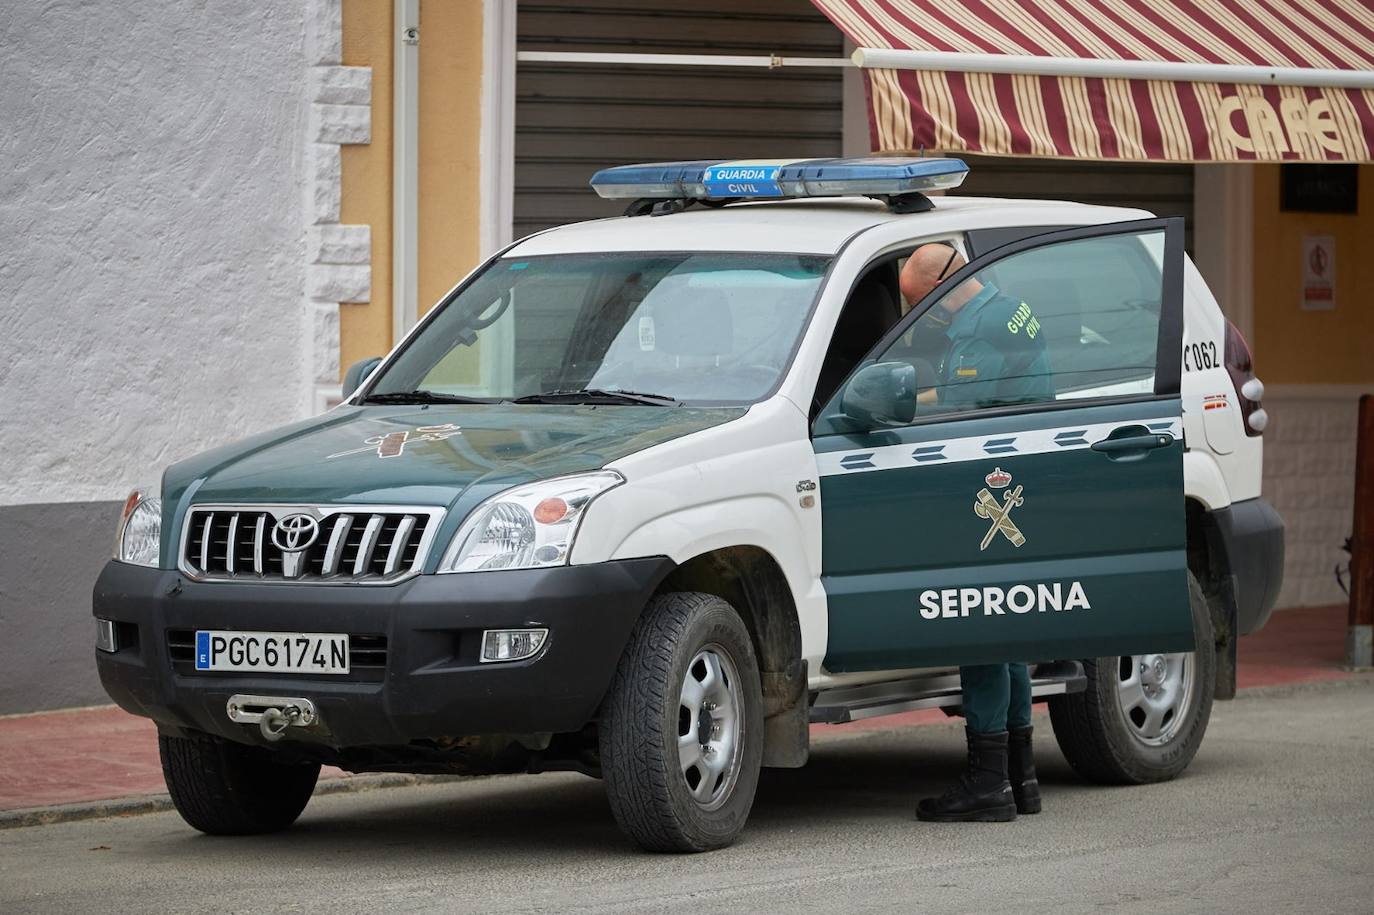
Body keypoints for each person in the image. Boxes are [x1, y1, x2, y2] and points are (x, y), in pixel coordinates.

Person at [897, 243, 1048, 822]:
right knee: (1007, 634)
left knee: (980, 633)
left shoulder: (979, 332)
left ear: (945, 282)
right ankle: (1019, 778)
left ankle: (988, 784)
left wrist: (902, 399)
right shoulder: (1011, 306)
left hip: (988, 481)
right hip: (1019, 477)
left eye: (920, 302)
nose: (924, 313)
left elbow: (957, 408)